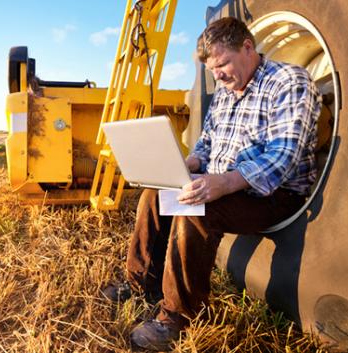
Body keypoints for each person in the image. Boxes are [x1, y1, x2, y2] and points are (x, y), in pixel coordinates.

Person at [103, 17, 321, 351]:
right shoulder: (225, 91)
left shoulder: (289, 81)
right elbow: (206, 145)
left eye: (222, 64)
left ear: (248, 47)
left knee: (197, 209)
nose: (217, 75)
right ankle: (139, 282)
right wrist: (184, 165)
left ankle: (178, 317)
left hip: (275, 194)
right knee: (154, 193)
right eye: (212, 68)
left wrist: (224, 182)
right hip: (223, 183)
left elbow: (284, 157)